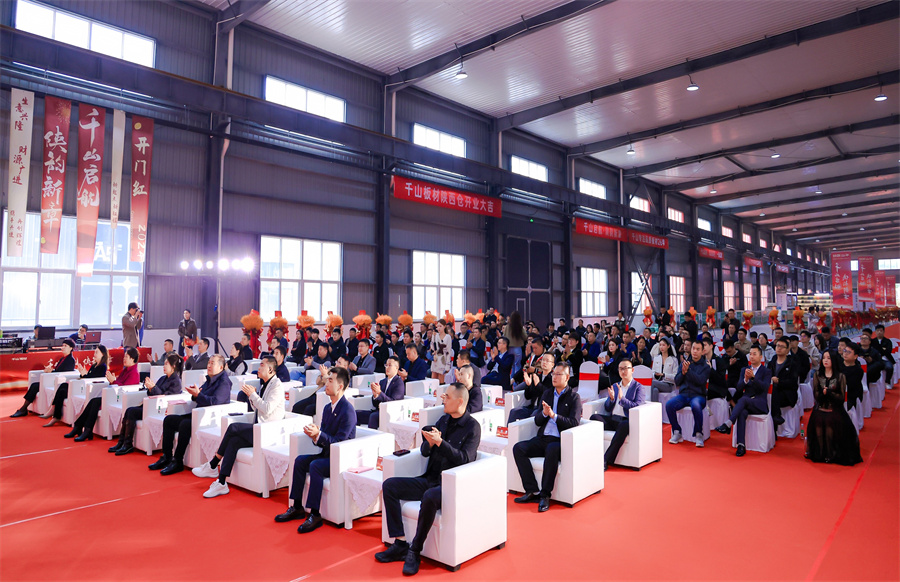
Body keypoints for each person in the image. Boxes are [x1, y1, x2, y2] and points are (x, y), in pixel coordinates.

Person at [376, 383, 480, 576]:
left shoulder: (472, 427)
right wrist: (430, 443)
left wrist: (441, 443)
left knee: (430, 496)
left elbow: (465, 459)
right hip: (429, 479)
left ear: (460, 402)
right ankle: (400, 543)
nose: (443, 400)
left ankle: (415, 550)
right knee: (390, 485)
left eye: (447, 397)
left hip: (450, 485)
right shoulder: (443, 420)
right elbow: (424, 452)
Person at [274, 367, 356, 533]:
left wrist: (319, 435)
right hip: (327, 454)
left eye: (331, 380)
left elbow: (339, 442)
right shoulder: (327, 408)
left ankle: (315, 513)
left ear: (340, 386)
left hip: (341, 460)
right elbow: (325, 437)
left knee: (315, 465)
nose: (326, 383)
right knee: (300, 461)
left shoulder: (348, 410)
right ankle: (297, 506)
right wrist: (315, 435)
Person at [192, 356, 286, 496]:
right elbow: (258, 409)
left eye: (262, 365)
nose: (258, 368)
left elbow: (267, 409)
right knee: (234, 442)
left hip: (268, 431)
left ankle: (213, 463)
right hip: (259, 428)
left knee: (233, 427)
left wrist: (253, 395)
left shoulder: (277, 386)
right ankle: (221, 482)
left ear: (271, 370)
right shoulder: (265, 384)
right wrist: (252, 396)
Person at [512, 362, 582, 513]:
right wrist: (544, 414)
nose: (554, 377)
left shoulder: (574, 397)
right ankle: (532, 490)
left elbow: (574, 423)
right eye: (553, 374)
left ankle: (545, 495)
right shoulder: (547, 394)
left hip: (560, 440)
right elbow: (537, 421)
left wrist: (553, 416)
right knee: (518, 448)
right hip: (543, 437)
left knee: (551, 449)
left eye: (558, 374)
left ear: (567, 377)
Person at [149, 354, 231, 475]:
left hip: (209, 418)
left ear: (221, 367)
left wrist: (198, 395)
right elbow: (200, 395)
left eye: (212, 363)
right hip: (198, 414)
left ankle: (178, 461)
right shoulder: (209, 379)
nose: (208, 365)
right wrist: (194, 394)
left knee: (185, 424)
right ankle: (166, 456)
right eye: (209, 362)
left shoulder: (224, 382)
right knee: (169, 420)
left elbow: (215, 402)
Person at [109, 353, 183, 455]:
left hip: (159, 409)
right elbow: (152, 393)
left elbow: (165, 398)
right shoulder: (163, 378)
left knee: (132, 412)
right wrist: (150, 388)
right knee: (129, 410)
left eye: (166, 364)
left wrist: (153, 388)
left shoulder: (176, 382)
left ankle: (127, 444)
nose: (164, 366)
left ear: (173, 366)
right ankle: (122, 442)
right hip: (151, 405)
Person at [65, 347, 140, 441]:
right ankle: (80, 427)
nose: (124, 359)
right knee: (93, 401)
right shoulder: (125, 370)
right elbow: (118, 384)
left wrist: (114, 381)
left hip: (121, 399)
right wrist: (113, 381)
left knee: (96, 402)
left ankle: (86, 429)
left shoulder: (134, 373)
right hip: (114, 396)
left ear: (132, 359)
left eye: (126, 357)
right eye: (124, 357)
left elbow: (126, 390)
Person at [806, 350, 862, 465]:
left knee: (831, 423)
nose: (825, 360)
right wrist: (823, 394)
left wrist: (830, 393)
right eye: (824, 358)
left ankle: (832, 454)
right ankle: (821, 454)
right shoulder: (818, 375)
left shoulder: (840, 376)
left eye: (829, 358)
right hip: (820, 407)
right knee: (818, 423)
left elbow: (841, 397)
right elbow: (816, 395)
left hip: (835, 408)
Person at [714, 345, 772, 457]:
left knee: (743, 399)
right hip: (746, 403)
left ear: (761, 357)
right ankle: (741, 445)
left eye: (754, 354)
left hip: (759, 403)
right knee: (741, 412)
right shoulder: (744, 370)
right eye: (750, 354)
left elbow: (765, 388)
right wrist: (745, 379)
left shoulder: (766, 371)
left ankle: (728, 423)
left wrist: (753, 378)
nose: (752, 356)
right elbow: (739, 388)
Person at [590, 360, 645, 470]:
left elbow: (637, 406)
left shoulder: (638, 387)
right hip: (613, 419)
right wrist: (611, 399)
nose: (623, 371)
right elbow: (607, 408)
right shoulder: (615, 386)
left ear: (632, 370)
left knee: (624, 425)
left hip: (626, 420)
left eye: (626, 368)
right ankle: (591, 454)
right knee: (594, 418)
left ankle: (605, 459)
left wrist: (622, 399)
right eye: (620, 369)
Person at [43, 345, 109, 427]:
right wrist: (83, 374)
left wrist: (84, 375)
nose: (94, 354)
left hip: (89, 389)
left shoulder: (102, 367)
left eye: (96, 352)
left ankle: (55, 413)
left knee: (64, 389)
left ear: (102, 354)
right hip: (84, 385)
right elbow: (87, 377)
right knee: (63, 387)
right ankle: (55, 412)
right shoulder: (94, 365)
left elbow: (93, 380)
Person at [11, 339, 77, 418]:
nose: (63, 347)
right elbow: (58, 371)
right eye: (62, 345)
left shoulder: (70, 360)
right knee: (34, 385)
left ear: (71, 348)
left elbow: (64, 373)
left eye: (65, 346)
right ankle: (24, 408)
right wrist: (51, 371)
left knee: (35, 386)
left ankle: (23, 409)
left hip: (59, 382)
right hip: (53, 378)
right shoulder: (62, 359)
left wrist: (51, 372)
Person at [666, 341, 711, 447]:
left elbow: (700, 381)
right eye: (693, 348)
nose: (695, 351)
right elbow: (677, 381)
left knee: (696, 405)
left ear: (702, 351)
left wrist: (688, 371)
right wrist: (683, 373)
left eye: (698, 349)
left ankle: (698, 434)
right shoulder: (684, 363)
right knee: (669, 405)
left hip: (698, 396)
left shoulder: (705, 366)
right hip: (684, 395)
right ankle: (677, 431)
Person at [356, 356, 405, 428]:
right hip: (378, 411)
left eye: (390, 365)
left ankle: (372, 435)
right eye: (386, 365)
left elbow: (393, 402)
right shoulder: (383, 381)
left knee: (373, 416)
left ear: (396, 368)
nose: (387, 367)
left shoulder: (399, 383)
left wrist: (379, 393)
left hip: (390, 413)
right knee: (356, 413)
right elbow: (375, 404)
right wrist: (375, 396)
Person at [769, 337, 799, 429]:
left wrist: (779, 381)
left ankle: (776, 415)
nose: (779, 348)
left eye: (782, 347)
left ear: (787, 350)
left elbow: (793, 382)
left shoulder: (792, 363)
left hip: (787, 393)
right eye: (778, 346)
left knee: (775, 391)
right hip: (773, 390)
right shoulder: (772, 361)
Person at [839, 344, 865, 417]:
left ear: (855, 356)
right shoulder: (838, 365)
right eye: (845, 351)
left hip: (850, 396)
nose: (845, 353)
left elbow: (850, 387)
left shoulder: (858, 371)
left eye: (849, 352)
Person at [650, 338, 677, 402]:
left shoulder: (673, 359)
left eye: (663, 345)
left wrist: (664, 375)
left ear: (668, 346)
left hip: (669, 384)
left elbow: (675, 376)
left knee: (653, 383)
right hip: (658, 382)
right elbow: (652, 372)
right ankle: (655, 407)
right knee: (655, 390)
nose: (661, 347)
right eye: (660, 345)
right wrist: (655, 375)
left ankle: (650, 405)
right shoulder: (656, 358)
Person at [703, 337, 730, 402]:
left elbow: (721, 380)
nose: (703, 347)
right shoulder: (701, 360)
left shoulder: (719, 361)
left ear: (711, 346)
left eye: (705, 345)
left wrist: (711, 369)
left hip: (717, 389)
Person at [503, 311, 528, 377]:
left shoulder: (507, 327)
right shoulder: (520, 327)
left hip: (509, 348)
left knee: (511, 366)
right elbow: (525, 337)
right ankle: (517, 380)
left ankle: (511, 380)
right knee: (517, 365)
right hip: (518, 348)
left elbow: (504, 337)